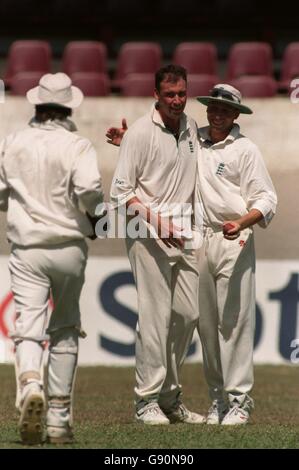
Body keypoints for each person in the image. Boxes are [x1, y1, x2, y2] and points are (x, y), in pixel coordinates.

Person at [0, 73, 104, 444]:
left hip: (27, 247)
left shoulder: (14, 141)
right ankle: (59, 419)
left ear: (37, 105)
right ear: (68, 106)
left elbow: (0, 194)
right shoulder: (77, 145)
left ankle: (30, 384)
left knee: (28, 325)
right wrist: (93, 216)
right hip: (69, 247)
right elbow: (89, 189)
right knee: (65, 326)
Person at [109, 64, 205, 425]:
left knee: (187, 315)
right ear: (156, 95)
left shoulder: (192, 127)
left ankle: (169, 398)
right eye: (170, 94)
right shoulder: (138, 132)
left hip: (183, 233)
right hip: (147, 234)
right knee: (154, 317)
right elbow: (119, 192)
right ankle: (146, 400)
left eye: (182, 93)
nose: (177, 100)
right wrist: (157, 222)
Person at [195, 84, 277, 425]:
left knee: (235, 322)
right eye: (213, 108)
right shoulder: (192, 140)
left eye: (224, 110)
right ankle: (217, 399)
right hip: (198, 238)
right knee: (206, 324)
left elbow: (267, 198)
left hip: (235, 238)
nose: (217, 114)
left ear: (234, 115)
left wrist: (242, 223)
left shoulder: (245, 149)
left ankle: (239, 400)